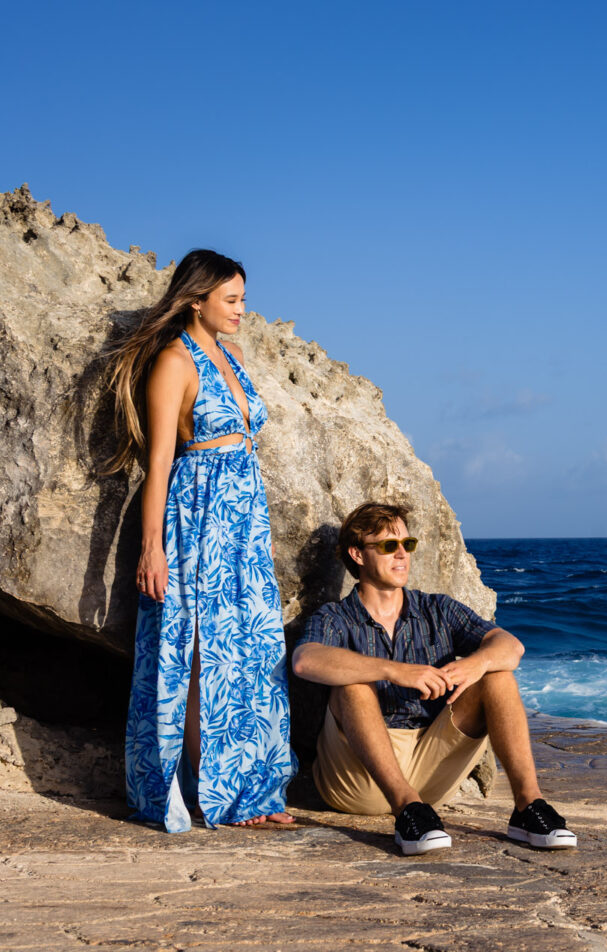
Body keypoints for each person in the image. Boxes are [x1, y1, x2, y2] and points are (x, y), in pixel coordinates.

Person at [105, 249, 297, 832]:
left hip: (245, 522)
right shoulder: (173, 362)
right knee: (201, 654)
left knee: (252, 652)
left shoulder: (232, 356)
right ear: (196, 300)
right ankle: (216, 794)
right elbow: (158, 463)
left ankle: (253, 788)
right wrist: (151, 547)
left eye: (243, 298)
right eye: (231, 300)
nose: (243, 310)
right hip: (198, 515)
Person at [291, 501, 575, 855]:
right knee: (352, 684)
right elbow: (305, 660)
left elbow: (511, 646)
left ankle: (527, 807)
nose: (401, 555)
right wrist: (392, 669)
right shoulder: (335, 616)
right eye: (387, 545)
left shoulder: (437, 609)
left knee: (497, 676)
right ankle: (406, 809)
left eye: (406, 545)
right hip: (358, 777)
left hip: (431, 765)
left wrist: (478, 663)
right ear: (357, 554)